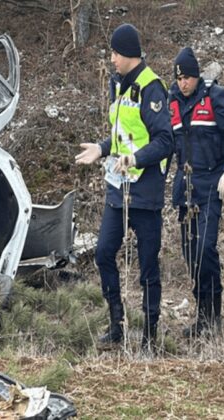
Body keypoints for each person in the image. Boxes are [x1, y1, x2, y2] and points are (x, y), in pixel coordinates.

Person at [75, 23, 172, 350]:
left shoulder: (151, 87)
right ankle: (116, 324)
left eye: (115, 53)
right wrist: (102, 149)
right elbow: (121, 135)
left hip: (145, 192)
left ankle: (149, 337)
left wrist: (135, 159)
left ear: (128, 54)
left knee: (147, 266)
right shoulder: (118, 85)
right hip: (118, 190)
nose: (111, 58)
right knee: (103, 253)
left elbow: (164, 140)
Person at [167, 47, 224, 338]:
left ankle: (214, 316)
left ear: (197, 76)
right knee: (191, 254)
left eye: (187, 77)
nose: (183, 83)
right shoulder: (172, 101)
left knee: (205, 248)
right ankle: (203, 316)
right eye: (179, 79)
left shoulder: (214, 97)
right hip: (185, 187)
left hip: (211, 183)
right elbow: (166, 142)